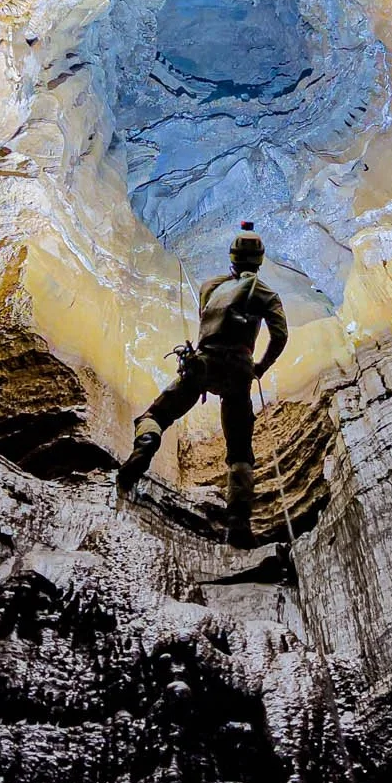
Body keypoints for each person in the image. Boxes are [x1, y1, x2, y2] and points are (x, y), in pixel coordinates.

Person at [118, 222, 288, 547]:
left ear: (232, 258)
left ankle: (145, 447)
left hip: (203, 364)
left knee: (156, 416)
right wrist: (260, 368)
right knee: (240, 452)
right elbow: (280, 336)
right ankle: (238, 523)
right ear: (260, 260)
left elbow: (204, 320)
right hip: (239, 370)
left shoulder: (210, 287)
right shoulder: (266, 293)